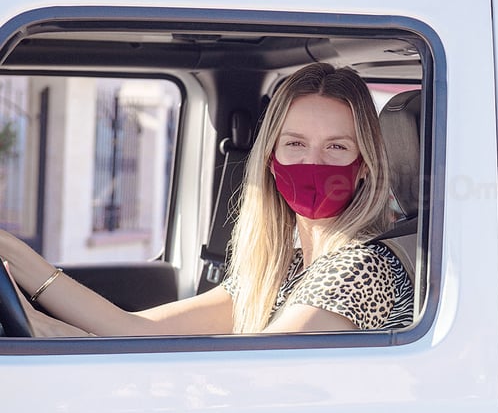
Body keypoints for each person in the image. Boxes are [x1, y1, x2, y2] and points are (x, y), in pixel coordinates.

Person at [0, 63, 414, 336]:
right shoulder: (283, 267)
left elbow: (261, 374)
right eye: (296, 144)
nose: (313, 163)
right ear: (271, 159)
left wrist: (44, 328)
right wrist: (13, 256)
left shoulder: (362, 265)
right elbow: (134, 331)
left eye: (337, 148)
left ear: (364, 164)